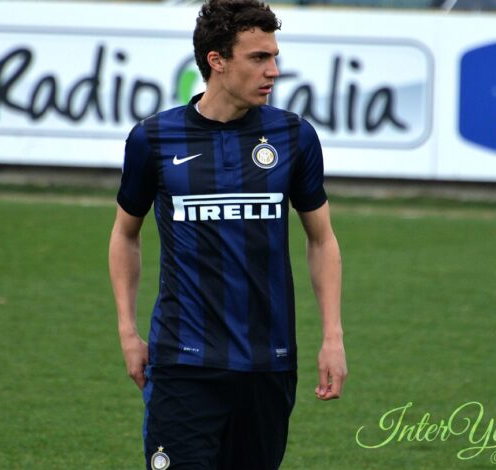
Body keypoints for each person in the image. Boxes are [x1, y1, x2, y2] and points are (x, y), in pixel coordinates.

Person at [108, 1, 346, 468]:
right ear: (217, 60)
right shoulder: (153, 139)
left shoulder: (294, 136)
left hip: (269, 362)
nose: (273, 70)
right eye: (258, 57)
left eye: (274, 56)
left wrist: (332, 337)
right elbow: (124, 234)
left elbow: (322, 239)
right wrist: (127, 331)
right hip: (183, 362)